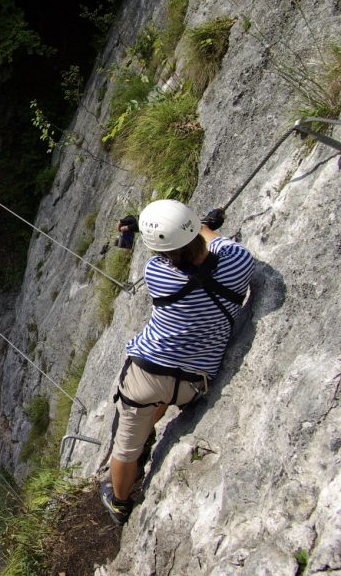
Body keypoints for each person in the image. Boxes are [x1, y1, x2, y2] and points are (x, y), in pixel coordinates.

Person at [100, 200, 254, 525]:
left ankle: (119, 502)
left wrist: (190, 229)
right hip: (192, 384)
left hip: (146, 376)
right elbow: (210, 239)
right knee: (155, 402)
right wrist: (205, 224)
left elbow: (180, 251)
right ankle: (148, 430)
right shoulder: (239, 262)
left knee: (125, 446)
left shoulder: (156, 273)